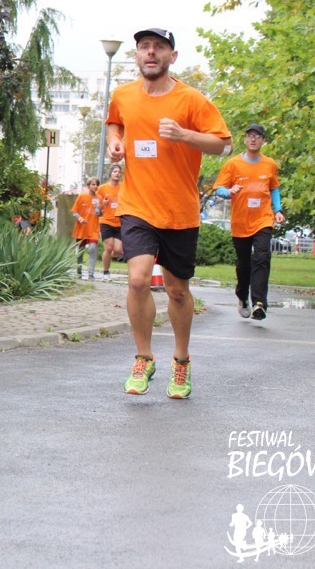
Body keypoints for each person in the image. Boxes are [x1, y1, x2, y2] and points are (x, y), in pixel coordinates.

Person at [106, 28, 231, 399]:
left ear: (172, 57)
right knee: (137, 280)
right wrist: (115, 141)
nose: (150, 52)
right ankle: (143, 357)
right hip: (137, 205)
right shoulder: (123, 94)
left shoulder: (191, 99)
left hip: (178, 211)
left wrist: (185, 135)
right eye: (144, 47)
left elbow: (224, 145)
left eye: (159, 47)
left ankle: (181, 360)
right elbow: (115, 122)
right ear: (136, 55)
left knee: (177, 291)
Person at [213, 123, 284, 320]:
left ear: (263, 140)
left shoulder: (269, 164)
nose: (253, 139)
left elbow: (274, 188)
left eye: (257, 136)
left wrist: (277, 210)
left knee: (262, 258)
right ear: (245, 140)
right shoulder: (233, 164)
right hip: (241, 222)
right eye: (250, 136)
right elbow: (219, 188)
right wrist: (229, 192)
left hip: (263, 219)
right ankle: (242, 297)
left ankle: (259, 303)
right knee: (244, 264)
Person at [96, 165, 124, 280]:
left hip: (119, 221)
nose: (117, 173)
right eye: (115, 171)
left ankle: (107, 258)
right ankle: (106, 272)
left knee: (118, 250)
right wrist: (102, 203)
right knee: (109, 247)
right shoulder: (102, 188)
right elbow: (96, 205)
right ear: (110, 174)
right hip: (106, 221)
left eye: (119, 172)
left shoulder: (123, 187)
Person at [70, 178, 101, 280]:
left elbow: (101, 213)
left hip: (94, 228)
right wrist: (80, 219)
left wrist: (100, 211)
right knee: (80, 251)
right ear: (88, 186)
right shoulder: (81, 196)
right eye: (93, 184)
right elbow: (74, 212)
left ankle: (91, 274)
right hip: (82, 228)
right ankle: (79, 272)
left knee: (92, 249)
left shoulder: (99, 198)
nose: (95, 186)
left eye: (96, 185)